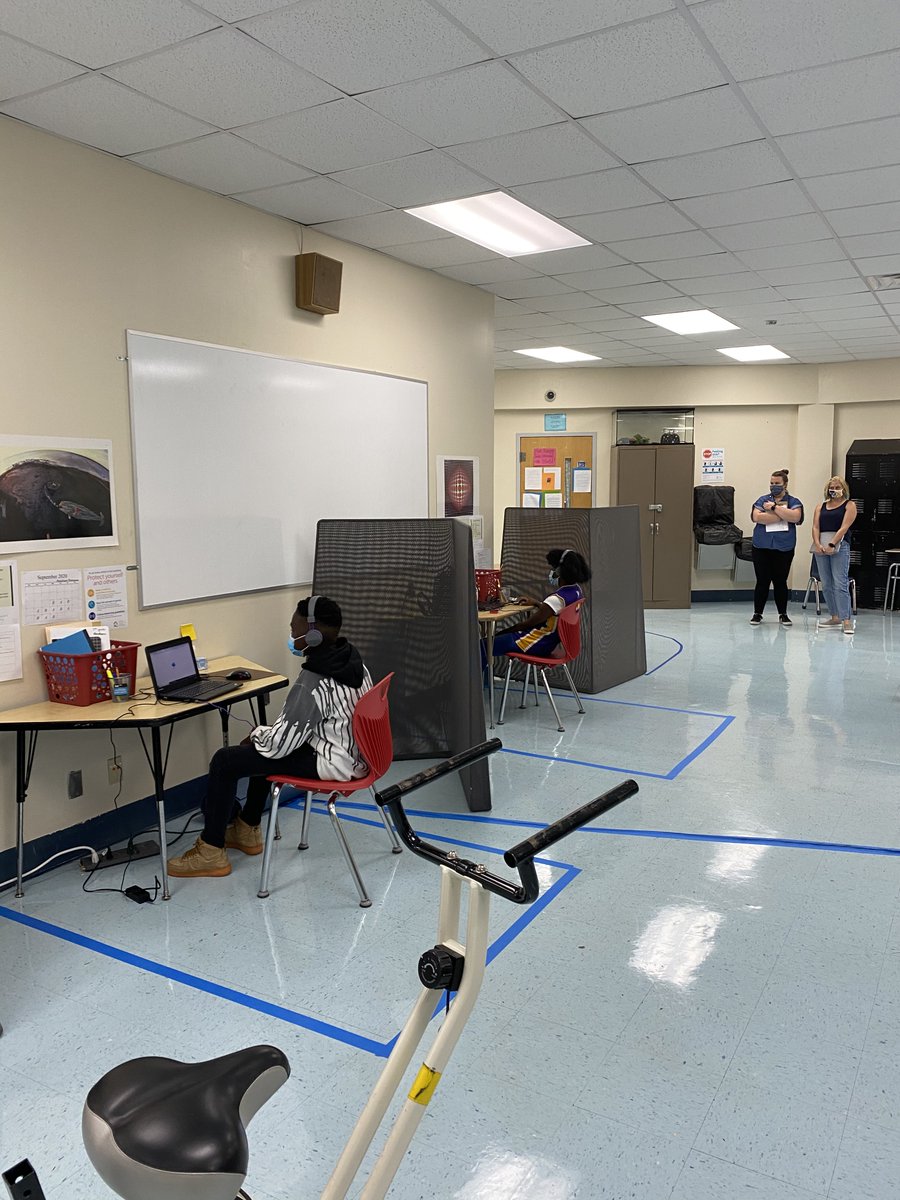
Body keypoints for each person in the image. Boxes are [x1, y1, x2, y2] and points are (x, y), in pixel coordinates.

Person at [167, 595, 371, 879]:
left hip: (331, 763)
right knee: (260, 752)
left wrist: (257, 734)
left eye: (293, 630)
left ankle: (211, 851)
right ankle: (247, 827)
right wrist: (263, 738)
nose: (290, 636)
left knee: (227, 760)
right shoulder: (353, 662)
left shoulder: (313, 681)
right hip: (352, 755)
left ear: (312, 635)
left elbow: (279, 746)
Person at [485, 547, 591, 663]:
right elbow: (554, 613)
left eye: (553, 568)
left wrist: (502, 633)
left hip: (535, 643)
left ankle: (476, 680)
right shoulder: (576, 591)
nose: (551, 572)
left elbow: (527, 624)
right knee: (490, 642)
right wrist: (536, 603)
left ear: (559, 572)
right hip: (548, 643)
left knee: (483, 646)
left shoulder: (556, 599)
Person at [750, 468, 803, 627]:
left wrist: (773, 508)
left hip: (784, 547)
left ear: (785, 484)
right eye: (772, 483)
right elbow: (757, 517)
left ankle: (783, 614)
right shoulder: (762, 500)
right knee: (762, 581)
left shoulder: (794, 501)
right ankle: (757, 613)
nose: (774, 486)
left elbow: (795, 517)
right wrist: (782, 515)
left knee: (780, 581)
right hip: (761, 546)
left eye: (777, 483)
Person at [812, 475, 857, 634]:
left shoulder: (849, 505)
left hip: (840, 546)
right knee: (827, 583)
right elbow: (816, 527)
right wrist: (818, 544)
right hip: (821, 547)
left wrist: (832, 543)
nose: (834, 490)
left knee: (840, 583)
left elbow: (844, 527)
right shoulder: (820, 507)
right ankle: (834, 616)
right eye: (832, 487)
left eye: (838, 487)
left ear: (844, 490)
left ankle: (846, 620)